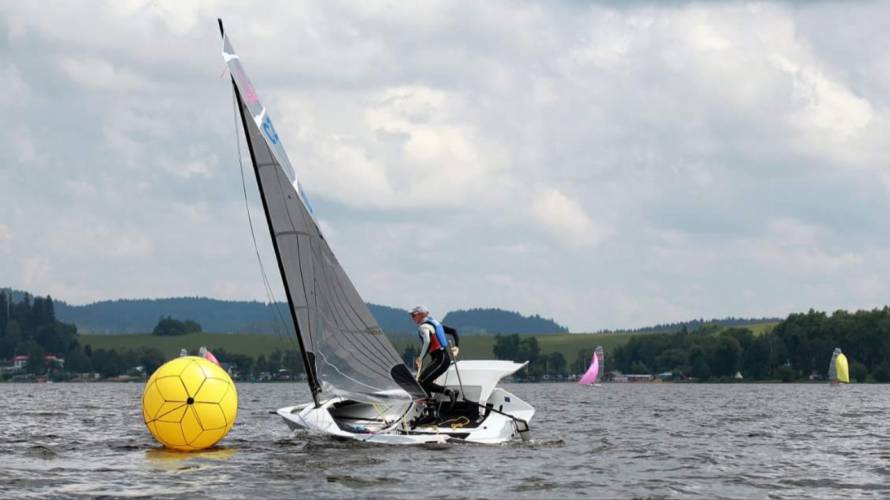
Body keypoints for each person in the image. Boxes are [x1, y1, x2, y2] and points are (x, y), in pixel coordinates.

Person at [410, 305, 457, 402]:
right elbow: (453, 331)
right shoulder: (434, 323)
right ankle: (436, 399)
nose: (412, 318)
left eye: (414, 315)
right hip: (441, 358)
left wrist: (420, 358)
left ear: (421, 315)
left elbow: (427, 342)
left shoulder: (423, 327)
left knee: (422, 382)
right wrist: (457, 346)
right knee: (423, 381)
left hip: (440, 359)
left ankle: (443, 395)